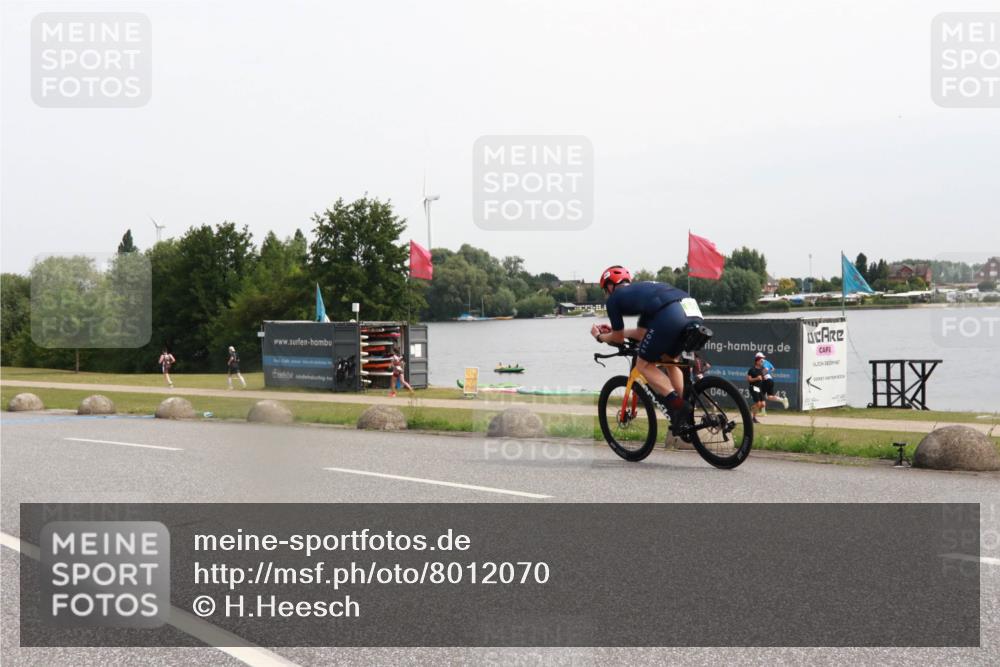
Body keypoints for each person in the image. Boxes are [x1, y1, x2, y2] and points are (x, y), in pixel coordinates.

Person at [590, 265, 703, 432]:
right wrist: (616, 332)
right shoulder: (645, 291)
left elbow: (618, 338)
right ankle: (683, 413)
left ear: (610, 286)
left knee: (643, 365)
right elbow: (642, 333)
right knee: (669, 359)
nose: (606, 294)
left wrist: (599, 337)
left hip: (670, 313)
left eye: (605, 290)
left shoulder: (614, 299)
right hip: (692, 310)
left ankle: (678, 405)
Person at [747, 356, 767, 423]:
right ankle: (753, 418)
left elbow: (763, 378)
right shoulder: (752, 369)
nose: (762, 362)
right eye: (761, 361)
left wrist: (765, 378)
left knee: (763, 404)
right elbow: (749, 379)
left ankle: (751, 408)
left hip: (759, 388)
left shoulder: (762, 369)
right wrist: (756, 378)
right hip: (753, 387)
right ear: (757, 361)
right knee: (758, 404)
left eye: (762, 361)